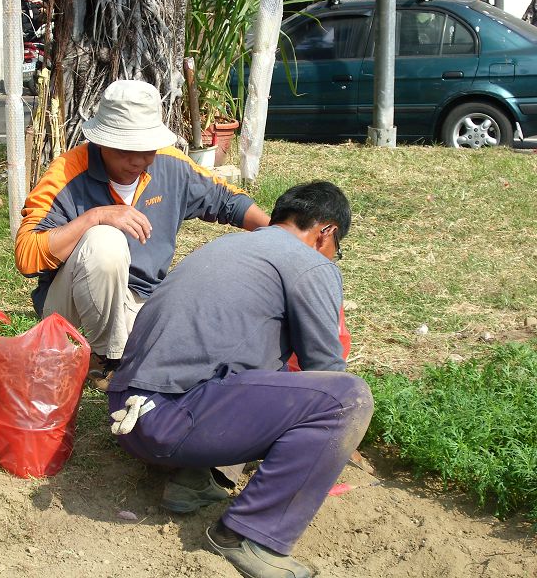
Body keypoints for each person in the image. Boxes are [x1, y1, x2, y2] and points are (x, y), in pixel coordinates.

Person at [107, 181, 373, 578]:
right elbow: (325, 370)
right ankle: (248, 536)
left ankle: (195, 479)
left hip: (130, 416)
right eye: (338, 247)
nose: (334, 256)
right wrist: (336, 448)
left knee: (263, 363)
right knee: (346, 399)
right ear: (326, 232)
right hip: (173, 420)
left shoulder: (230, 247)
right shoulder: (310, 262)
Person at [15, 80, 270, 388]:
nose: (137, 161)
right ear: (101, 142)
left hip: (140, 299)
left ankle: (126, 354)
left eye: (146, 150)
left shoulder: (171, 165)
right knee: (104, 240)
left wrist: (281, 235)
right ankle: (106, 360)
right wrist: (95, 217)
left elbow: (227, 200)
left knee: (199, 339)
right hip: (69, 310)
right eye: (125, 150)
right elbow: (27, 255)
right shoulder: (66, 171)